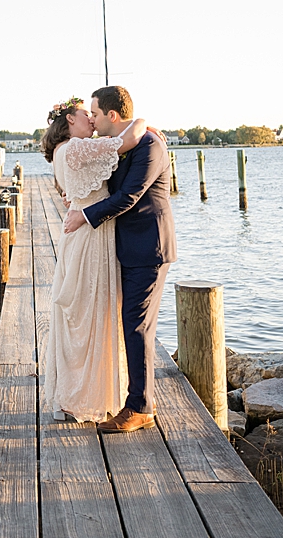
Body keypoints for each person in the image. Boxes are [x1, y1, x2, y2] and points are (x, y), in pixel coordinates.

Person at [63, 85, 175, 433]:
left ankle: (140, 407)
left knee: (137, 324)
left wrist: (84, 216)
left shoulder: (150, 146)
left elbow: (128, 196)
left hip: (150, 247)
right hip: (128, 247)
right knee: (132, 322)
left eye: (95, 113)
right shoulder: (124, 145)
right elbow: (106, 182)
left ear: (113, 115)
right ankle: (137, 400)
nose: (92, 120)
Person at [41, 97, 149, 422]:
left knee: (85, 315)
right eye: (84, 115)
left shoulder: (63, 152)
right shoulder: (74, 148)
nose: (90, 119)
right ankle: (84, 395)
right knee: (91, 316)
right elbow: (128, 139)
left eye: (93, 113)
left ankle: (81, 392)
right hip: (91, 236)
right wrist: (143, 122)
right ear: (70, 121)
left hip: (81, 233)